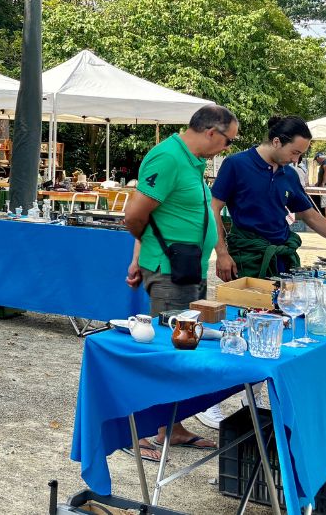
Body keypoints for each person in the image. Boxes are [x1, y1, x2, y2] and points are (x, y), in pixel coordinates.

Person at [122, 104, 238, 456]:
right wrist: (147, 257)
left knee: (181, 349)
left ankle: (171, 427)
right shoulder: (169, 158)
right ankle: (139, 430)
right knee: (164, 350)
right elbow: (135, 215)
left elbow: (191, 213)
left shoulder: (192, 162)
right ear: (211, 132)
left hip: (186, 269)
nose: (227, 147)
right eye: (229, 141)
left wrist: (218, 250)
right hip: (170, 269)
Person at [212, 117, 326, 283]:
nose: (295, 160)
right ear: (276, 142)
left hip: (283, 258)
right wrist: (221, 253)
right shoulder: (236, 164)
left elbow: (310, 216)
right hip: (248, 258)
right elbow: (213, 208)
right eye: (294, 152)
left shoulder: (289, 175)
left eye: (300, 154)